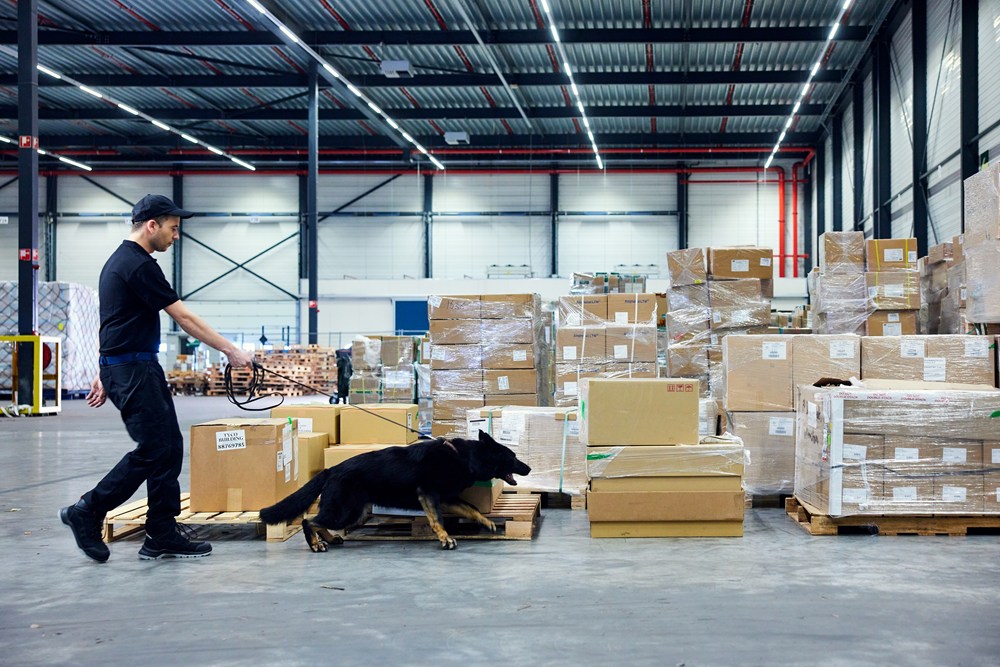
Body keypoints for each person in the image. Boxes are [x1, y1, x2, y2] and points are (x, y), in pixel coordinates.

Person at [59, 194, 253, 563]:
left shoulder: (123, 261)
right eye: (173, 228)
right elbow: (185, 318)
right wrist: (231, 350)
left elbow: (114, 320)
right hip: (133, 370)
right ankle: (88, 509)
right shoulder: (137, 265)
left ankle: (161, 533)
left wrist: (104, 367)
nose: (176, 236)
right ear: (152, 226)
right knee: (154, 449)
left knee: (169, 447)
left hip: (134, 366)